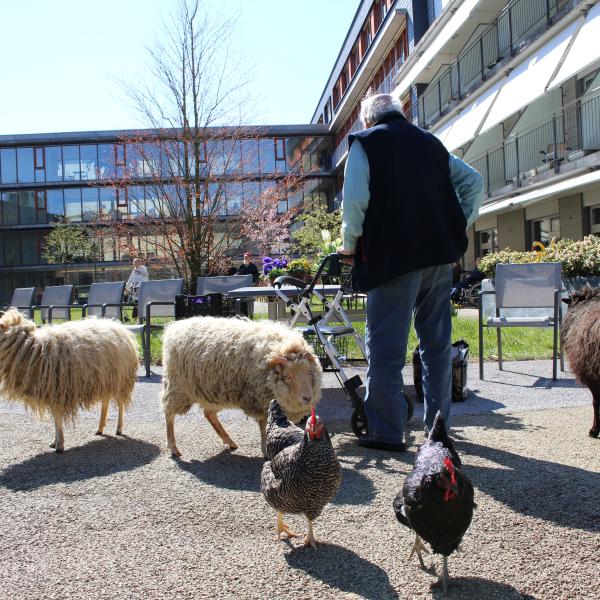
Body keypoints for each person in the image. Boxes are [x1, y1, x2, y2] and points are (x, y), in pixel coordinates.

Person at [339, 93, 484, 452]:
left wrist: (348, 246)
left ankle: (387, 433)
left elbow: (354, 204)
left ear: (367, 121)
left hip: (392, 260)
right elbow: (474, 183)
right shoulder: (430, 143)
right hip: (437, 258)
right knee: (436, 347)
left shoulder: (366, 143)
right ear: (400, 112)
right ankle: (438, 433)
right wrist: (456, 226)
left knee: (386, 348)